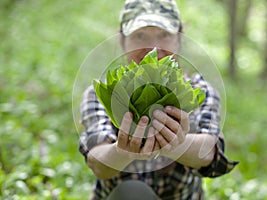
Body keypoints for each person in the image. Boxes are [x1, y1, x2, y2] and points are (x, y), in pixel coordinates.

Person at [79, 0, 238, 199]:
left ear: (179, 39)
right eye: (139, 36)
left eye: (164, 35)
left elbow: (208, 153)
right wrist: (125, 150)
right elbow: (98, 163)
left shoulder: (198, 90)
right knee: (132, 192)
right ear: (122, 41)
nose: (153, 48)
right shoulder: (104, 93)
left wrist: (175, 143)